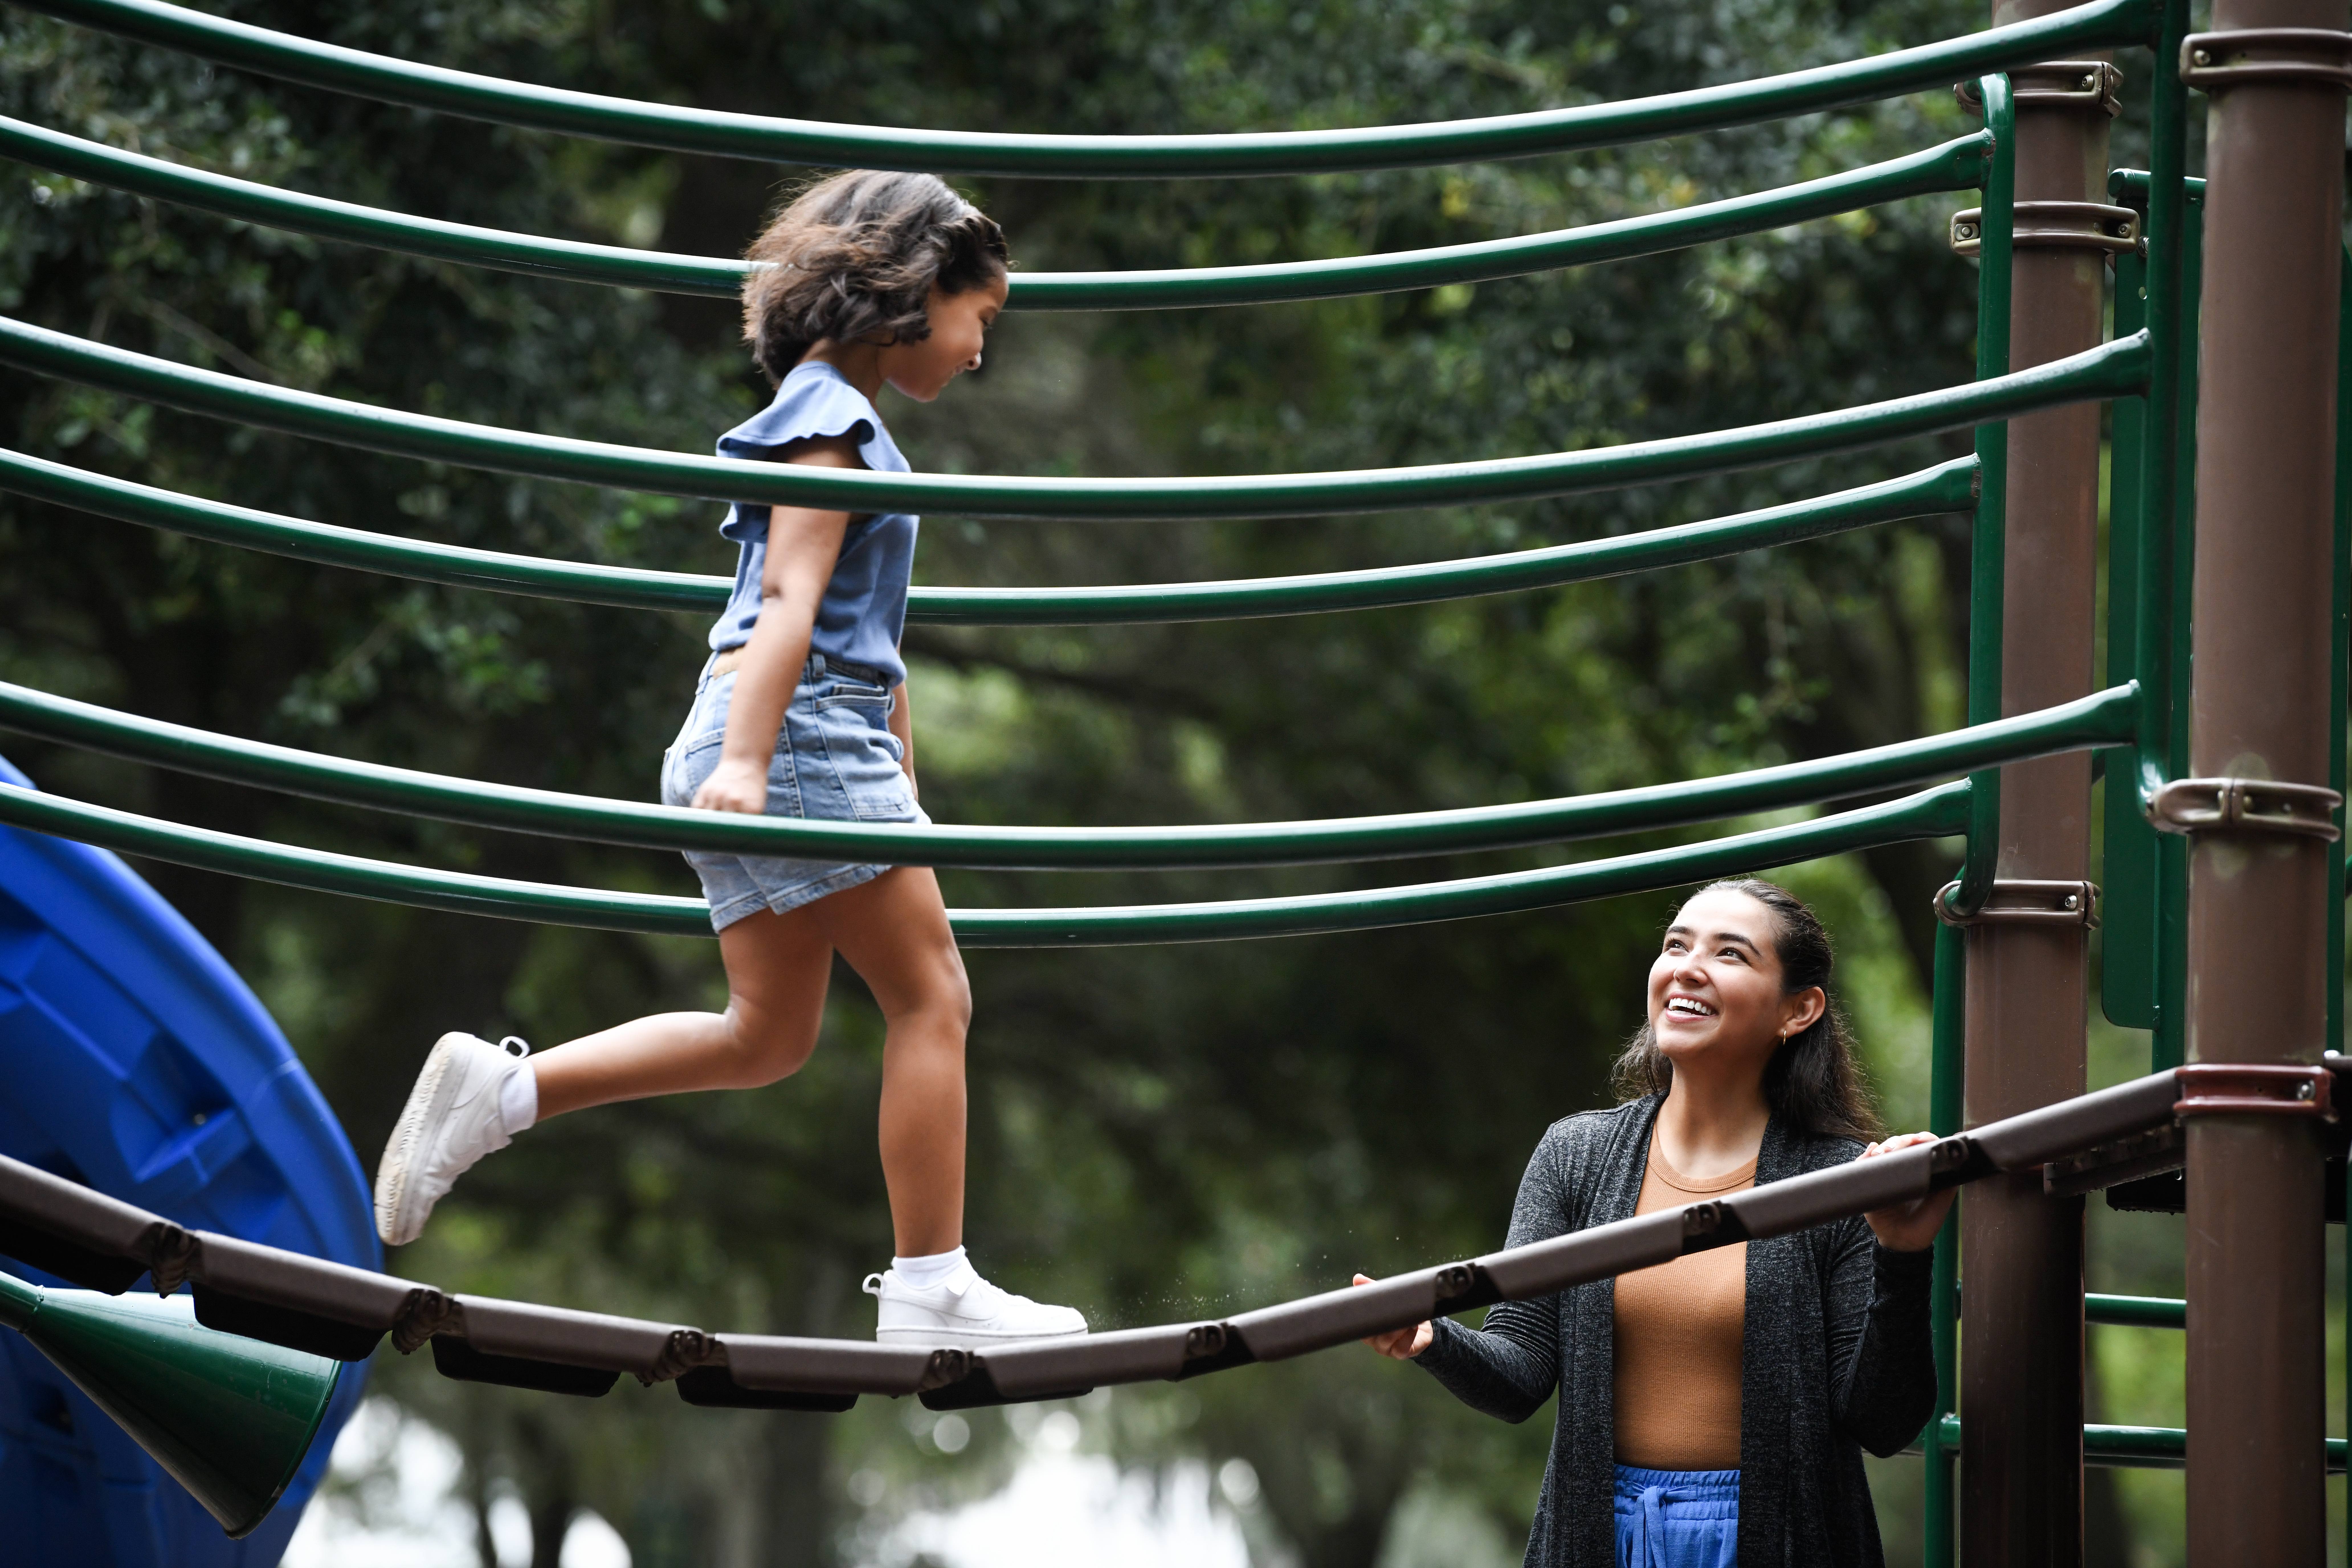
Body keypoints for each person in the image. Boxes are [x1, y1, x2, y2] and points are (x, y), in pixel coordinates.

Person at [372, 170, 1086, 1350]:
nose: (978, 354)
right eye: (982, 319)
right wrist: (754, 763)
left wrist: (893, 782)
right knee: (934, 995)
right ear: (916, 291)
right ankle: (929, 1282)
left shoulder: (833, 416)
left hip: (799, 733)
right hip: (789, 733)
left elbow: (871, 643)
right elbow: (793, 605)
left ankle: (500, 1096)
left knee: (769, 1034)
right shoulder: (832, 425)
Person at [1356, 879, 1947, 1568]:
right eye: (1676, 944)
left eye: (1731, 954)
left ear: (1799, 1009)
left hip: (1779, 1538)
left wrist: (1903, 1253)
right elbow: (1520, 1375)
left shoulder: (1840, 1182)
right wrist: (1433, 1336)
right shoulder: (1576, 1156)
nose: (1688, 966)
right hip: (1599, 1535)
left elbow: (1885, 1421)